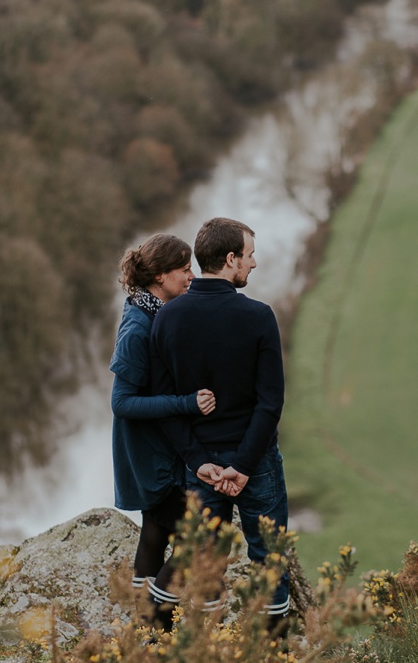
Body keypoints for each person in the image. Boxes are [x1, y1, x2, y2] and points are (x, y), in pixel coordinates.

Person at [149, 217, 291, 630]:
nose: (254, 264)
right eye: (249, 256)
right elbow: (271, 402)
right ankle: (272, 662)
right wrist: (244, 466)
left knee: (192, 554)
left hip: (204, 465)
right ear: (230, 259)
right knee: (269, 557)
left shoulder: (168, 319)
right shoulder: (258, 317)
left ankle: (152, 638)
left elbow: (166, 405)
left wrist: (197, 461)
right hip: (255, 463)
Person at [110, 233, 216, 628]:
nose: (192, 276)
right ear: (158, 275)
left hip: (160, 450)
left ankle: (144, 627)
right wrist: (185, 402)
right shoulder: (137, 328)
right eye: (184, 270)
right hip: (149, 456)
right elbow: (121, 403)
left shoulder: (155, 312)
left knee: (155, 533)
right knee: (199, 538)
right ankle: (156, 621)